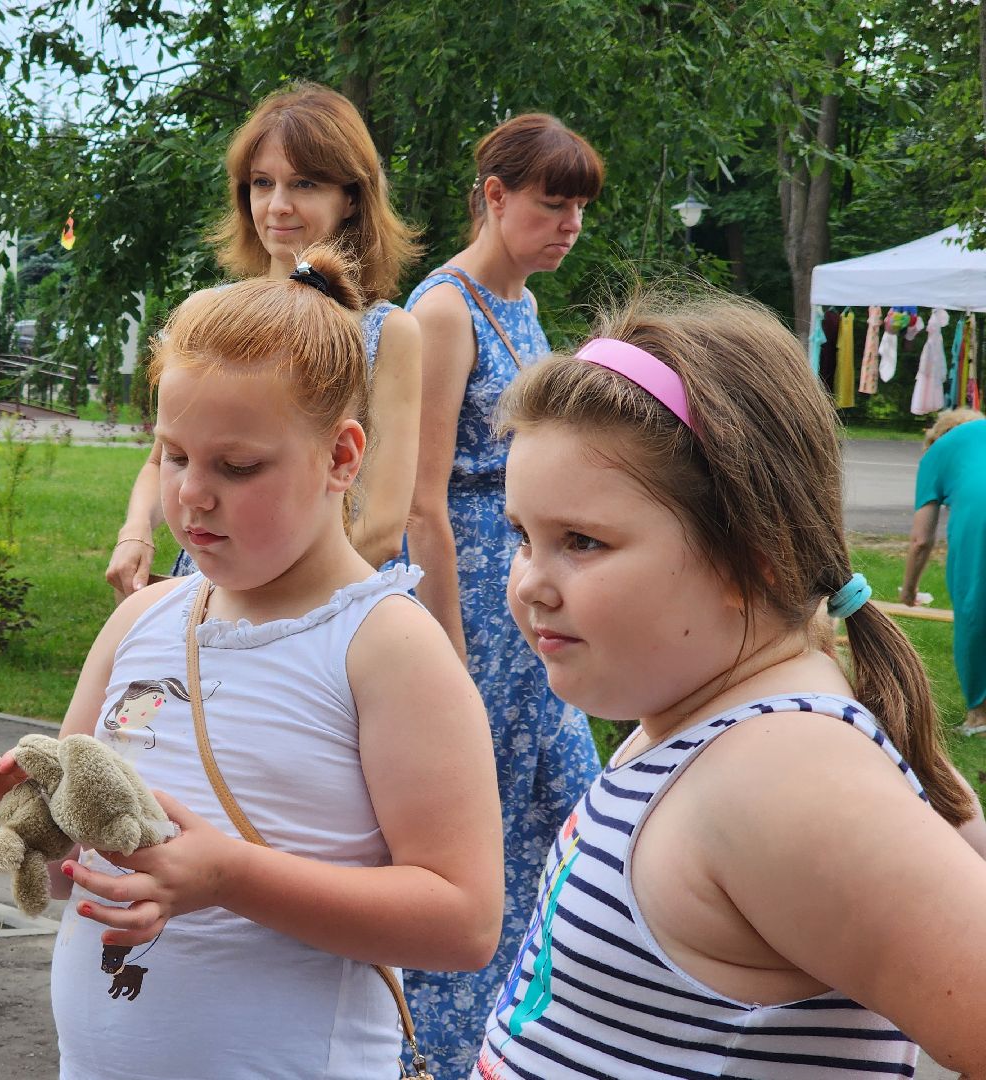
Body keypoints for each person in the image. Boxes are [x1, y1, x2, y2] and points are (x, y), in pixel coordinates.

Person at [0, 246, 503, 1078]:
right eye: (174, 455)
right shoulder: (141, 621)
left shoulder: (387, 645)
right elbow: (82, 877)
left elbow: (463, 924)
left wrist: (230, 878)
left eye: (237, 466)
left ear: (342, 458)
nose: (193, 494)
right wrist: (28, 820)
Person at [473, 287, 986, 1077]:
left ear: (752, 558)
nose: (530, 582)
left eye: (582, 541)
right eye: (522, 536)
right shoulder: (696, 724)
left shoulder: (785, 775)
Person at [400, 112, 605, 1072]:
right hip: (471, 604)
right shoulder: (444, 309)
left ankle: (529, 1038)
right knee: (475, 836)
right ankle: (434, 1054)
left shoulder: (521, 301)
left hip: (528, 591)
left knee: (563, 809)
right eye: (551, 202)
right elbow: (418, 497)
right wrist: (447, 642)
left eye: (578, 208)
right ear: (494, 196)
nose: (569, 223)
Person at [106, 82, 421, 594]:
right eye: (261, 182)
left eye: (304, 184)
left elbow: (382, 526)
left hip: (317, 605)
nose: (277, 205)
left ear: (350, 199)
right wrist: (135, 531)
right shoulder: (207, 313)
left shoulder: (389, 332)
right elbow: (166, 458)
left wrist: (261, 601)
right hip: (207, 590)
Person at [901, 406, 986, 735]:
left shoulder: (937, 452)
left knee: (973, 608)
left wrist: (909, 590)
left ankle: (979, 716)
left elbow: (921, 539)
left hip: (980, 519)